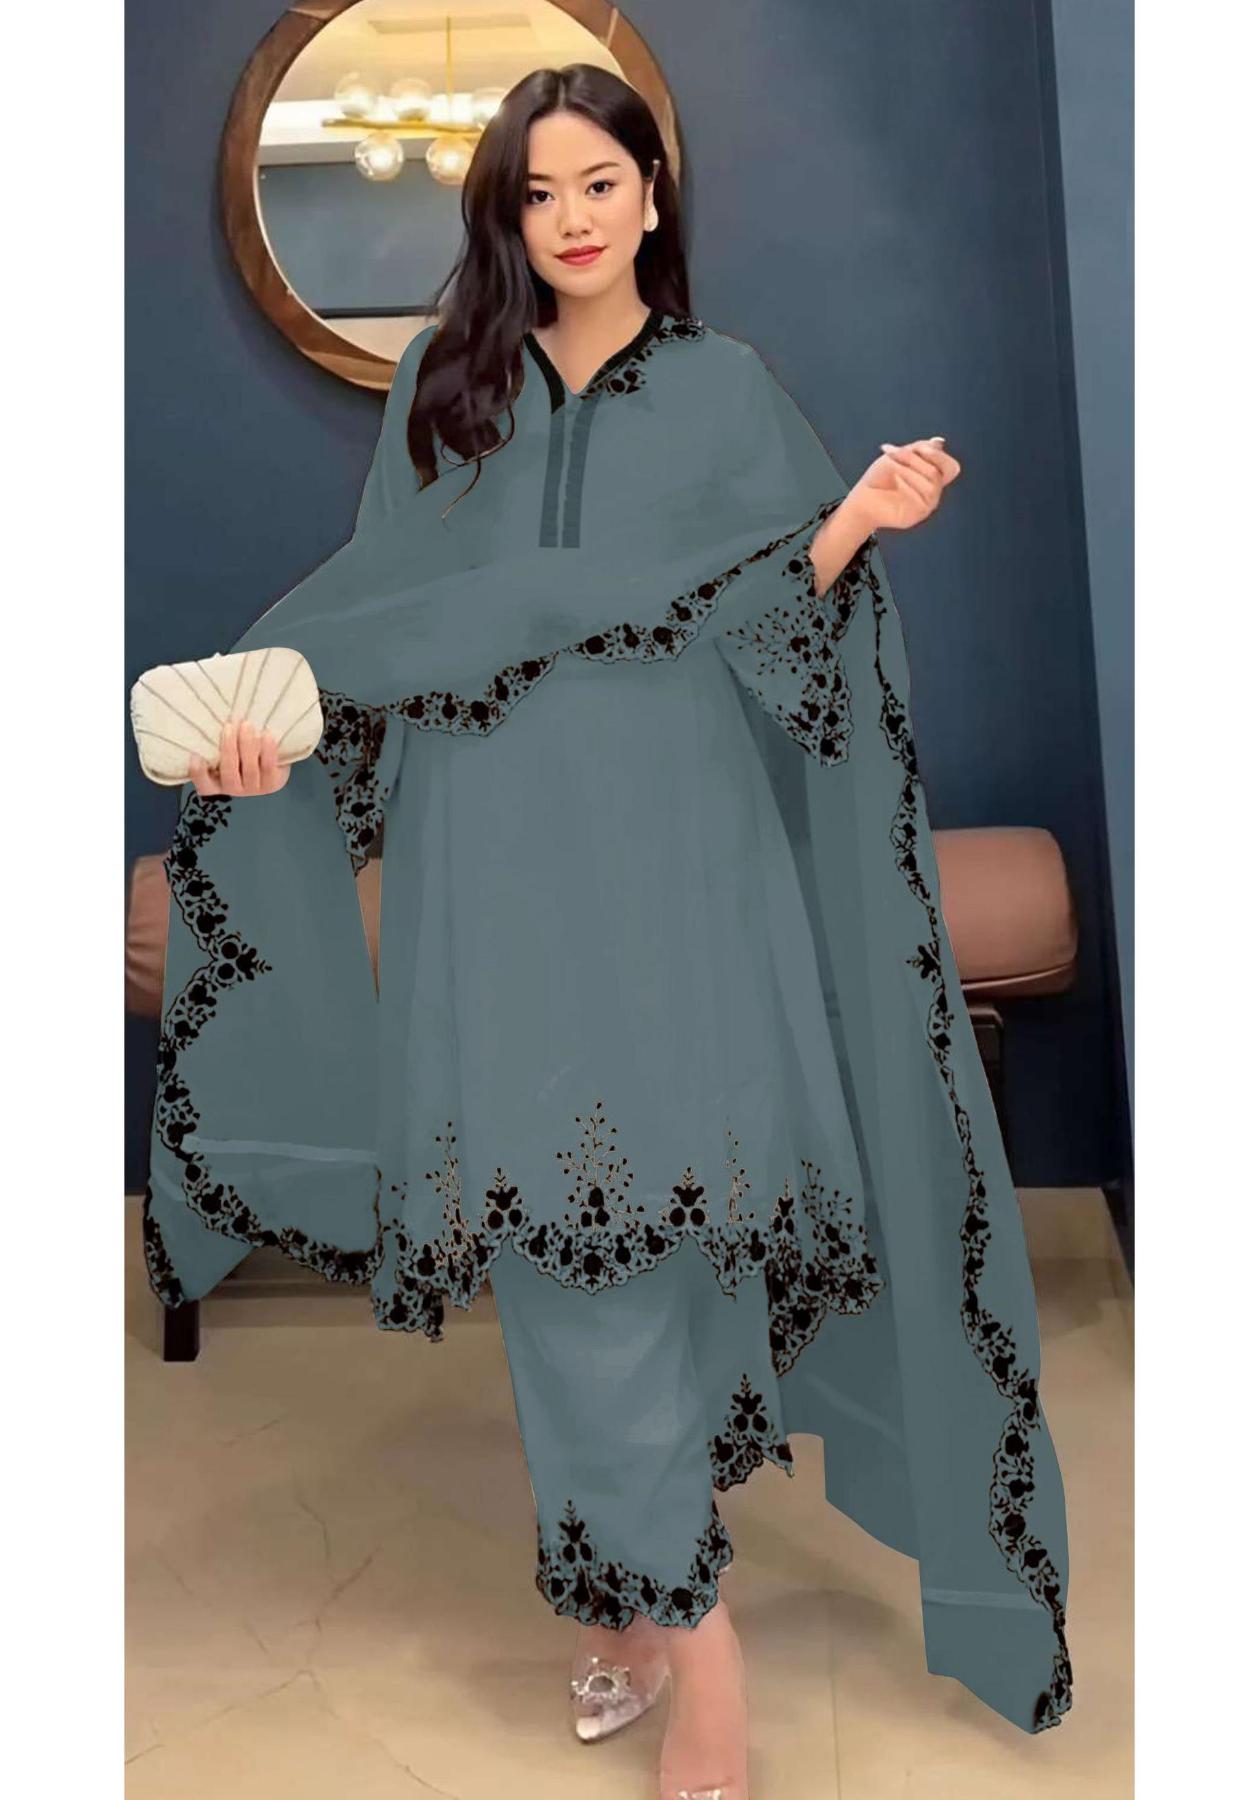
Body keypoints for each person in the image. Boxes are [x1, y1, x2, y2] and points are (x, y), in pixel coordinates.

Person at [144, 63, 1072, 1800]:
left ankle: (634, 1593)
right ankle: (692, 1633)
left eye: (597, 182)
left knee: (677, 1228)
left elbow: (775, 631)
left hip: (686, 862)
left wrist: (856, 522)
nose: (568, 218)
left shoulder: (729, 391)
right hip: (493, 869)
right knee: (559, 1241)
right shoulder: (448, 388)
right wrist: (277, 736)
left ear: (654, 194)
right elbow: (382, 632)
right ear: (501, 215)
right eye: (534, 192)